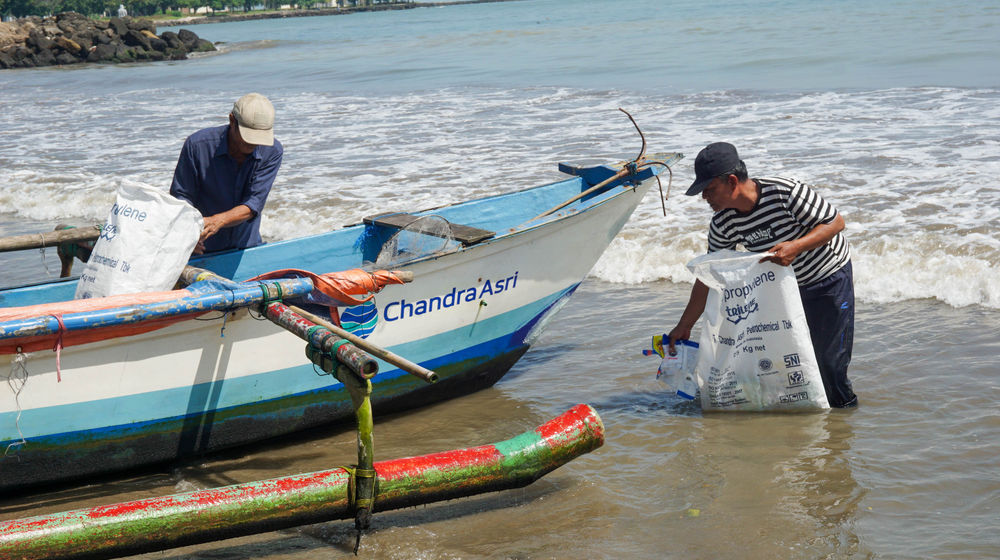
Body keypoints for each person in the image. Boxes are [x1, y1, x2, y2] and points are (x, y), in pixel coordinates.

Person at [668, 142, 857, 408]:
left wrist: (796, 246)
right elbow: (709, 276)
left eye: (709, 190)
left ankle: (843, 423)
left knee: (829, 364)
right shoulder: (723, 222)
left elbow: (836, 222)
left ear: (732, 181)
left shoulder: (785, 192)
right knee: (789, 364)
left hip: (827, 278)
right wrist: (685, 324)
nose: (704, 198)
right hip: (781, 291)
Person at [170, 93, 283, 254]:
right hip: (201, 247)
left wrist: (219, 221)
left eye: (259, 137)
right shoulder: (196, 146)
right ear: (232, 120)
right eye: (248, 137)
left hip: (247, 248)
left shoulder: (272, 151)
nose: (253, 143)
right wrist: (188, 233)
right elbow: (181, 197)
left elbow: (254, 203)